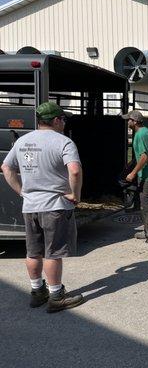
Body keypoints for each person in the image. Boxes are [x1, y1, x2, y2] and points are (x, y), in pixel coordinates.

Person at [1, 102, 84, 313]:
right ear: (56, 120)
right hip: (54, 206)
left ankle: (37, 292)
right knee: (52, 253)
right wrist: (75, 194)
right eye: (63, 119)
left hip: (30, 207)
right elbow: (74, 171)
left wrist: (22, 192)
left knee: (33, 251)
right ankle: (56, 296)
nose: (64, 123)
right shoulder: (64, 142)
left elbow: (6, 167)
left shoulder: (23, 142)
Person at [122, 110, 148, 240]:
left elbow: (144, 157)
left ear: (135, 121)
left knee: (146, 201)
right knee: (147, 199)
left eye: (129, 120)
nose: (127, 122)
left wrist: (132, 173)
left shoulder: (141, 135)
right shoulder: (143, 132)